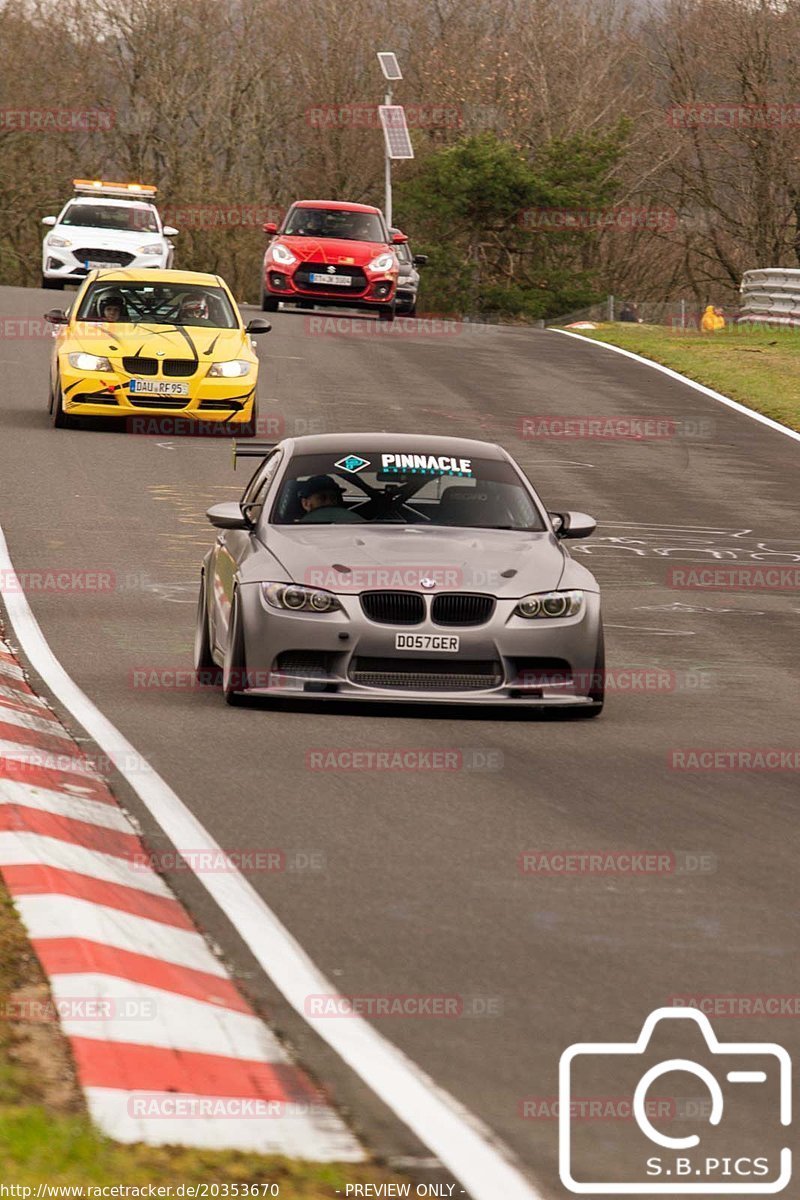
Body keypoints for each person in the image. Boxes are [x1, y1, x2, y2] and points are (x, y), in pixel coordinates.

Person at [297, 475, 366, 523]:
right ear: (305, 503)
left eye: (333, 497)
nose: (329, 502)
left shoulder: (355, 522)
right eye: (322, 498)